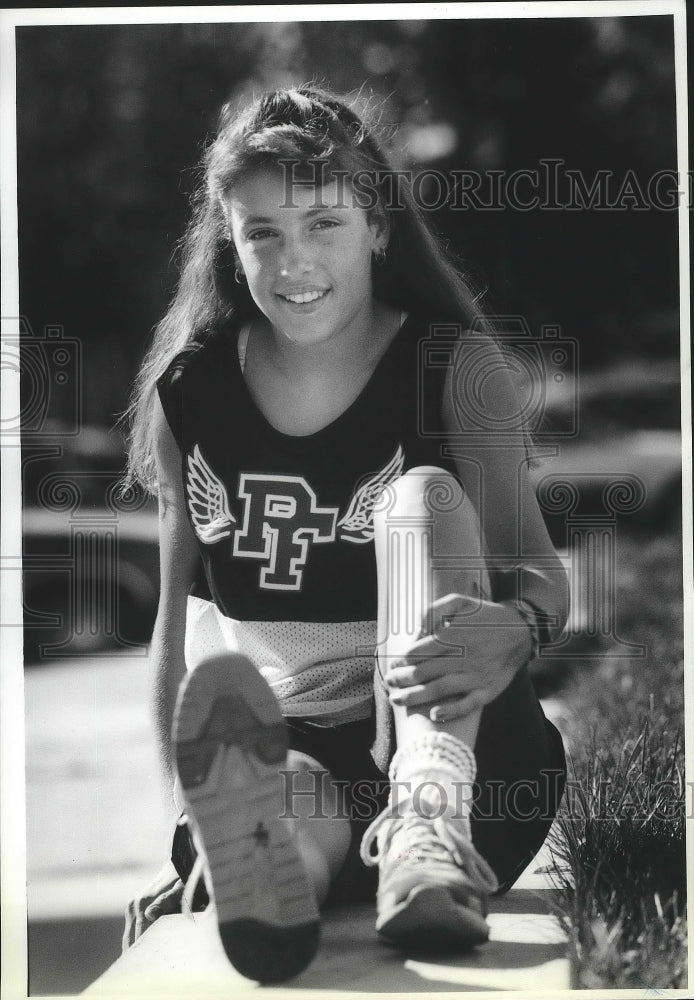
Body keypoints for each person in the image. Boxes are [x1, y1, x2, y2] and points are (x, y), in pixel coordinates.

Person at [121, 85, 569, 984]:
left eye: (323, 223)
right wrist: (182, 825)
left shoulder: (455, 366)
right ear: (229, 239)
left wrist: (515, 629)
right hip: (301, 743)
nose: (294, 262)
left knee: (423, 497)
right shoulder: (192, 393)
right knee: (280, 817)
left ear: (377, 227)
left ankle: (427, 839)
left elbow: (541, 576)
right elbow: (174, 633)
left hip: (465, 743)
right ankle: (262, 874)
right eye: (264, 233)